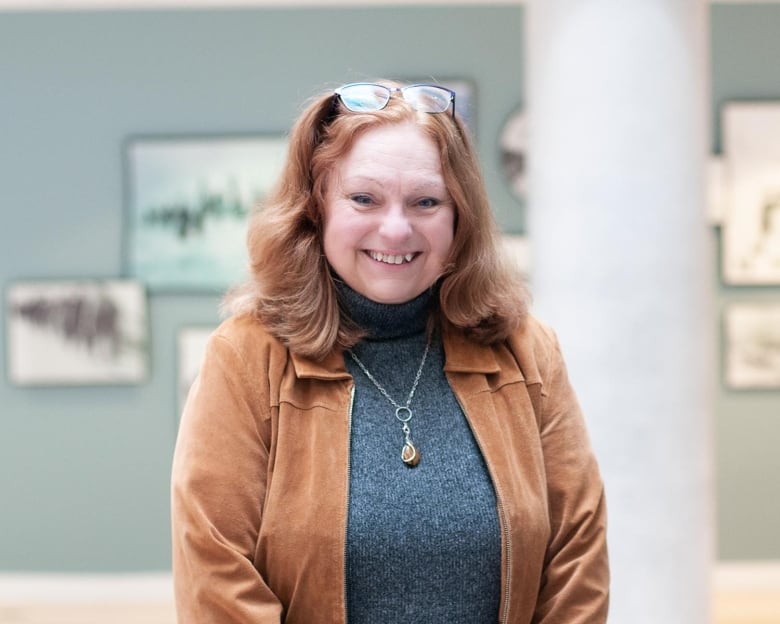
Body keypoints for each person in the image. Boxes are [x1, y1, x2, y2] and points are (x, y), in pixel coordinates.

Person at [171, 80, 609, 623]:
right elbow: (217, 576)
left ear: (459, 217)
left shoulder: (527, 352)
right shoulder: (246, 358)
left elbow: (577, 561)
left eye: (426, 201)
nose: (396, 229)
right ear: (316, 207)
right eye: (364, 199)